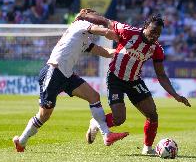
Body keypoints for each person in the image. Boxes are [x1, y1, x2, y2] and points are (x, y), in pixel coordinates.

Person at [12, 10, 129, 152]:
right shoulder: (80, 24)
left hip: (67, 75)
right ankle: (22, 141)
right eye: (94, 17)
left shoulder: (83, 37)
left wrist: (122, 52)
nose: (96, 20)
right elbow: (101, 31)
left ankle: (107, 135)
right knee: (44, 115)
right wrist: (113, 34)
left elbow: (103, 52)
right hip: (53, 72)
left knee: (94, 96)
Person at [82, 12, 191, 155]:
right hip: (115, 77)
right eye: (153, 32)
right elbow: (106, 21)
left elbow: (161, 75)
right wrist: (84, 16)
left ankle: (148, 148)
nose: (155, 36)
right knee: (119, 119)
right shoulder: (128, 31)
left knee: (152, 114)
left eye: (158, 34)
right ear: (145, 27)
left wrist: (175, 95)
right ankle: (96, 122)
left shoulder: (156, 49)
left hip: (134, 81)